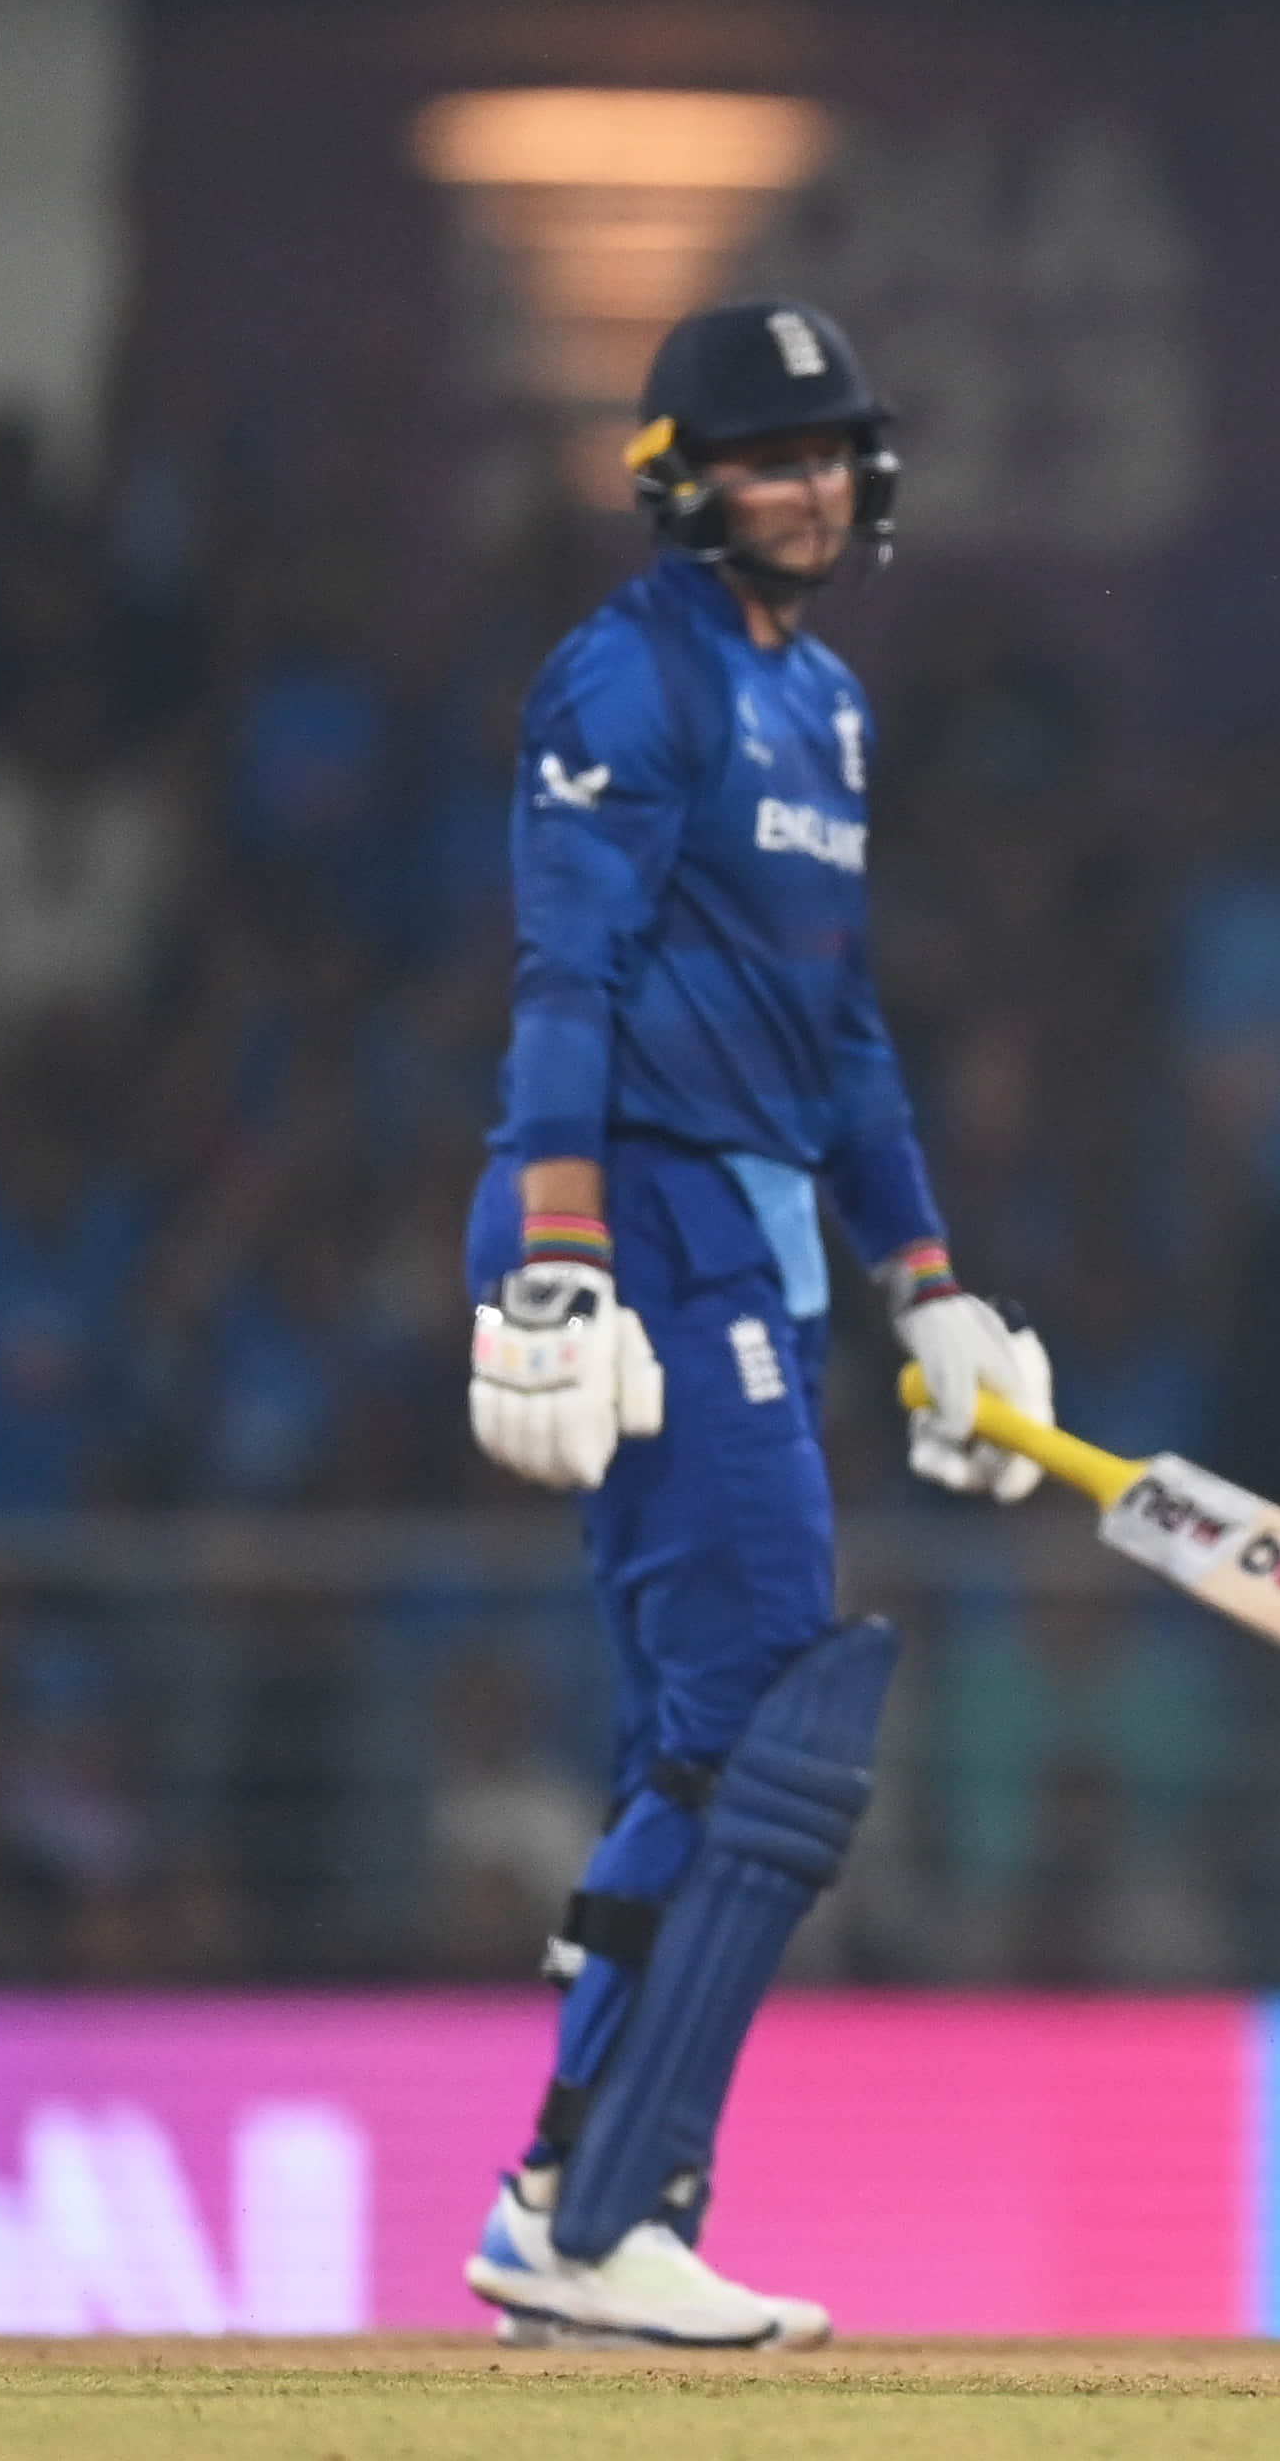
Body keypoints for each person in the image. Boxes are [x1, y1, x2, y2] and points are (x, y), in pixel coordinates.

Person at [454, 297, 1053, 2349]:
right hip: (636, 1210)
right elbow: (567, 976)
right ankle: (589, 2204)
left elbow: (845, 1033)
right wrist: (556, 1256)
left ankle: (590, 2203)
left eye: (826, 452)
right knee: (767, 1705)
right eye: (761, 455)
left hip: (759, 1231)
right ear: (678, 480)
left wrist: (929, 1287)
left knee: (709, 1735)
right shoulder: (629, 675)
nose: (802, 486)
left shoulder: (831, 709)